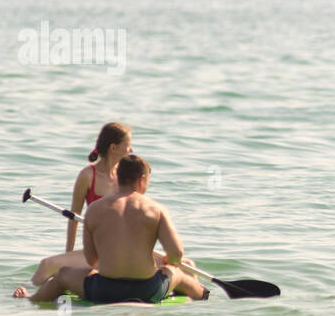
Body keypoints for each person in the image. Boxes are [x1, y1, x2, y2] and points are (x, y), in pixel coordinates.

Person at [14, 154, 208, 304]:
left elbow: (92, 260)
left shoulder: (95, 209)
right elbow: (177, 253)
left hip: (104, 290)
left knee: (63, 274)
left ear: (118, 178)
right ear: (141, 180)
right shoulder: (156, 209)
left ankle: (31, 299)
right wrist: (169, 260)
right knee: (178, 274)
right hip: (147, 290)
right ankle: (204, 295)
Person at [29, 122, 131, 285]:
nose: (131, 150)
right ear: (113, 147)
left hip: (124, 250)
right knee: (46, 265)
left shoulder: (126, 176)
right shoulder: (87, 175)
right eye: (128, 145)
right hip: (97, 252)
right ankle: (25, 292)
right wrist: (68, 255)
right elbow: (74, 217)